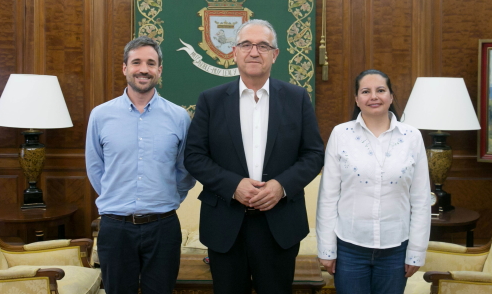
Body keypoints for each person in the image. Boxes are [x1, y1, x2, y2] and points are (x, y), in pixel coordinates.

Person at [184, 19, 324, 294]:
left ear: (275, 54)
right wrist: (233, 186)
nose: (254, 52)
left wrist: (280, 187)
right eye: (246, 44)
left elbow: (314, 154)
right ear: (234, 52)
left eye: (263, 45)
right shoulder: (210, 100)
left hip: (279, 225)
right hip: (226, 224)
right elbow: (194, 156)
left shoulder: (297, 98)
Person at [85, 36, 195, 294]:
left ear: (159, 70)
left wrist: (166, 196)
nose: (143, 69)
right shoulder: (101, 115)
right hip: (115, 227)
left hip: (163, 228)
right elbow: (95, 167)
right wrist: (117, 196)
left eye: (150, 63)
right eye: (136, 62)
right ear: (125, 68)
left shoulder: (179, 117)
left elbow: (185, 169)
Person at [316, 69, 431, 294]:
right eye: (366, 91)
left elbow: (421, 200)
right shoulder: (341, 134)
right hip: (349, 248)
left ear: (391, 96)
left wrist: (416, 251)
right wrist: (327, 249)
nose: (374, 97)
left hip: (396, 249)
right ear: (357, 100)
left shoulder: (412, 137)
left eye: (380, 90)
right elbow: (328, 197)